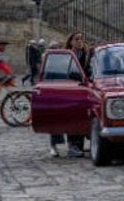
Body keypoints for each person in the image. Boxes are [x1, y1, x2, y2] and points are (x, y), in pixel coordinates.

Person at [51, 31, 90, 159]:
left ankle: (77, 145)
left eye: (81, 38)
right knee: (63, 117)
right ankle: (60, 145)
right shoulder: (65, 55)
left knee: (81, 117)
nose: (79, 41)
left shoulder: (87, 54)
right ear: (71, 41)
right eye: (77, 39)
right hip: (66, 89)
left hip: (82, 89)